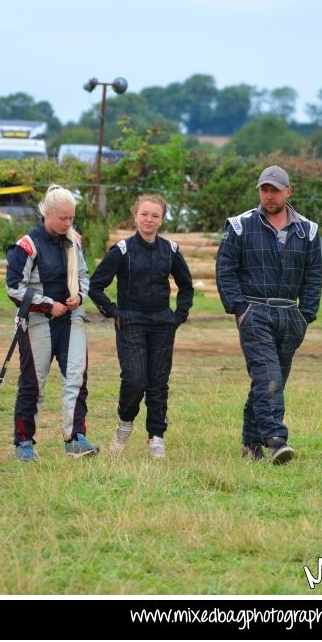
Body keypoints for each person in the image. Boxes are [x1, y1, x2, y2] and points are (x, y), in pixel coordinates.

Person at [215, 165, 322, 464]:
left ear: (288, 191)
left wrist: (307, 314)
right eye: (264, 189)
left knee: (269, 380)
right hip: (254, 311)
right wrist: (240, 309)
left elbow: (314, 275)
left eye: (275, 190)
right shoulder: (239, 226)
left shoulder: (308, 231)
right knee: (269, 377)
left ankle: (250, 446)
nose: (269, 195)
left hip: (290, 315)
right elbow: (225, 269)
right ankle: (277, 441)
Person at [88, 194, 194, 459]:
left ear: (161, 219)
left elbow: (186, 286)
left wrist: (179, 315)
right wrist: (113, 312)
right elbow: (95, 286)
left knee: (158, 382)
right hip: (131, 321)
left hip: (162, 323)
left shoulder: (170, 250)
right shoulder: (122, 250)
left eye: (155, 215)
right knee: (135, 379)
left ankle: (156, 437)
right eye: (144, 214)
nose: (149, 219)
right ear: (135, 216)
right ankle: (125, 423)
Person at [6, 184, 99, 461]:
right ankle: (24, 442)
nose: (68, 223)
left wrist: (80, 296)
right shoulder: (26, 246)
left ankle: (75, 438)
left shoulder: (75, 240)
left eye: (71, 218)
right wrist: (48, 304)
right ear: (46, 213)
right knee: (33, 383)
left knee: (77, 379)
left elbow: (84, 275)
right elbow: (13, 288)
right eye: (63, 218)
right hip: (37, 322)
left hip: (72, 320)